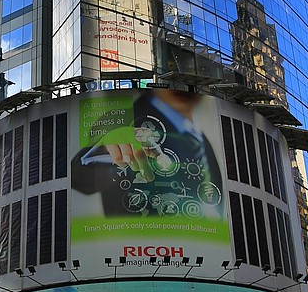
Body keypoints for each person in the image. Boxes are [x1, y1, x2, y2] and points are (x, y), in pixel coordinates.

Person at [71, 87, 225, 225]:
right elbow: (80, 175)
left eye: (191, 81)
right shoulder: (121, 120)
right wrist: (107, 149)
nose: (182, 87)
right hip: (139, 244)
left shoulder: (199, 136)